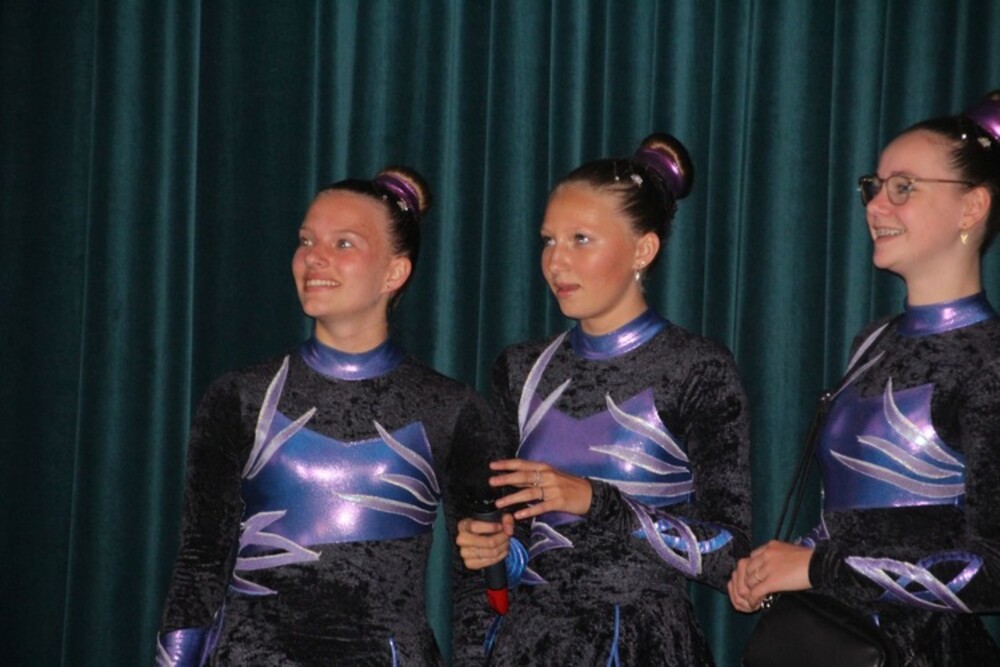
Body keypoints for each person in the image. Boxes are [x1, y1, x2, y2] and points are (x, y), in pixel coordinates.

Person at [156, 166, 495, 665]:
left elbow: (480, 584)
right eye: (306, 240)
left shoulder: (450, 409)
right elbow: (200, 562)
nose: (313, 257)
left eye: (343, 244)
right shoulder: (241, 397)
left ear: (394, 273)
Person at [453, 134, 752, 665]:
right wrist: (497, 552)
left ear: (643, 250)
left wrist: (597, 501)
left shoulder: (695, 368)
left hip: (642, 643)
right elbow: (506, 539)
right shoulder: (520, 369)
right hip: (531, 645)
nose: (556, 262)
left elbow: (729, 555)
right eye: (549, 241)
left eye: (580, 240)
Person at [729, 91, 1000, 665]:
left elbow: (995, 570)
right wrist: (776, 564)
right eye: (874, 187)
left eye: (903, 187)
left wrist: (816, 567)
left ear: (972, 207)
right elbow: (849, 521)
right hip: (838, 639)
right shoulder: (874, 343)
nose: (876, 206)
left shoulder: (990, 360)